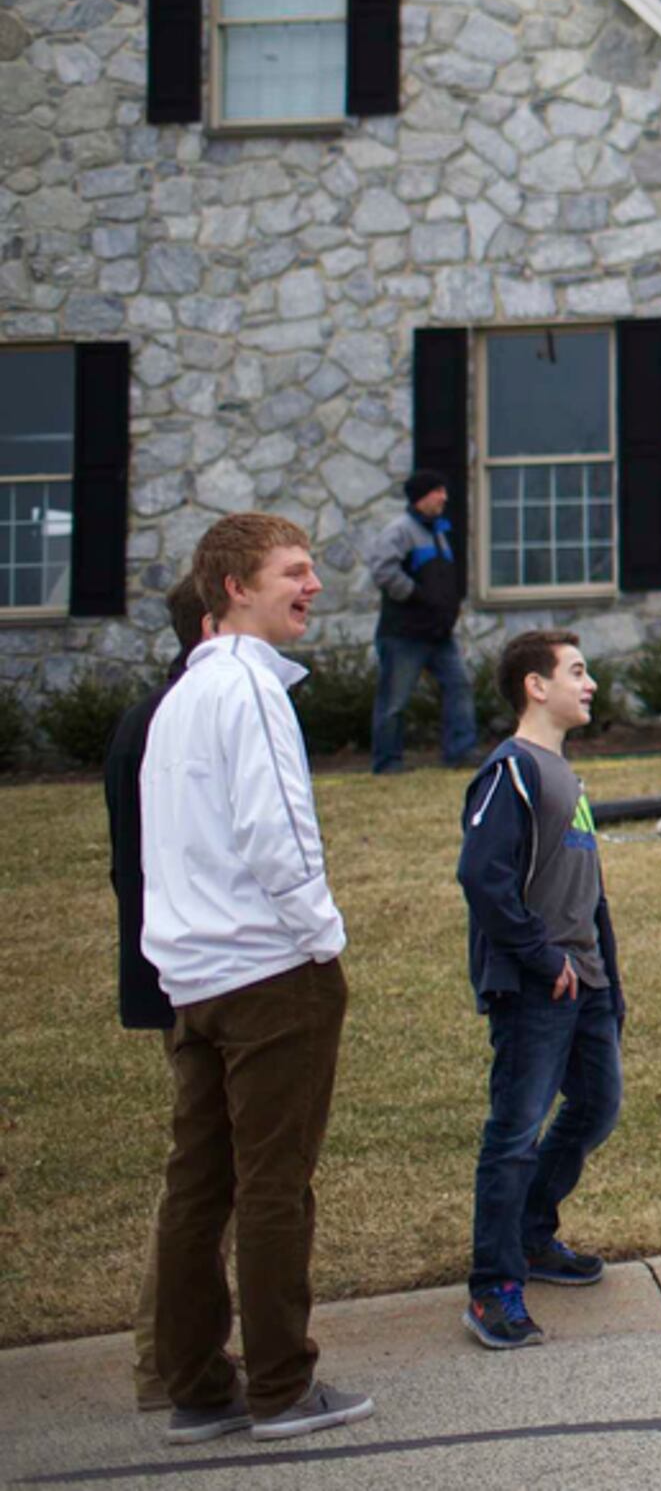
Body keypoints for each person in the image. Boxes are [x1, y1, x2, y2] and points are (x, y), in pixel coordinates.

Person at [139, 513, 371, 1445]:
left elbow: (168, 847)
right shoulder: (250, 692)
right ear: (234, 586)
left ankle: (196, 1385)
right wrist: (323, 938)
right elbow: (279, 834)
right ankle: (281, 1384)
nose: (311, 586)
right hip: (271, 971)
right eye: (294, 571)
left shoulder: (178, 701)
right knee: (277, 1183)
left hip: (192, 978)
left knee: (198, 1186)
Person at [457, 630, 624, 1352]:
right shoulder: (511, 771)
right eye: (577, 671)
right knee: (515, 1132)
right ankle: (493, 1287)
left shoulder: (563, 773)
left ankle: (530, 1233)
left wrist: (608, 977)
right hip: (537, 986)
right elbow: (482, 876)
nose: (590, 684)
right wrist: (537, 955)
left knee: (595, 1104)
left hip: (583, 979)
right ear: (535, 684)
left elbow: (591, 891)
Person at [105, 571, 216, 1414]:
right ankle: (168, 1363)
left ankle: (176, 1356)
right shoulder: (174, 721)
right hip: (193, 978)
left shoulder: (162, 712)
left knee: (208, 1176)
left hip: (186, 974)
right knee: (203, 1178)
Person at [366, 471, 474, 775]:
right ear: (421, 497)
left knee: (460, 686)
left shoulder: (438, 533)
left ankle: (461, 752)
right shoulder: (399, 531)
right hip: (404, 634)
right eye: (437, 492)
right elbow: (383, 571)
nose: (444, 498)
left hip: (439, 633)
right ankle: (387, 762)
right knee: (394, 701)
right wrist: (416, 595)